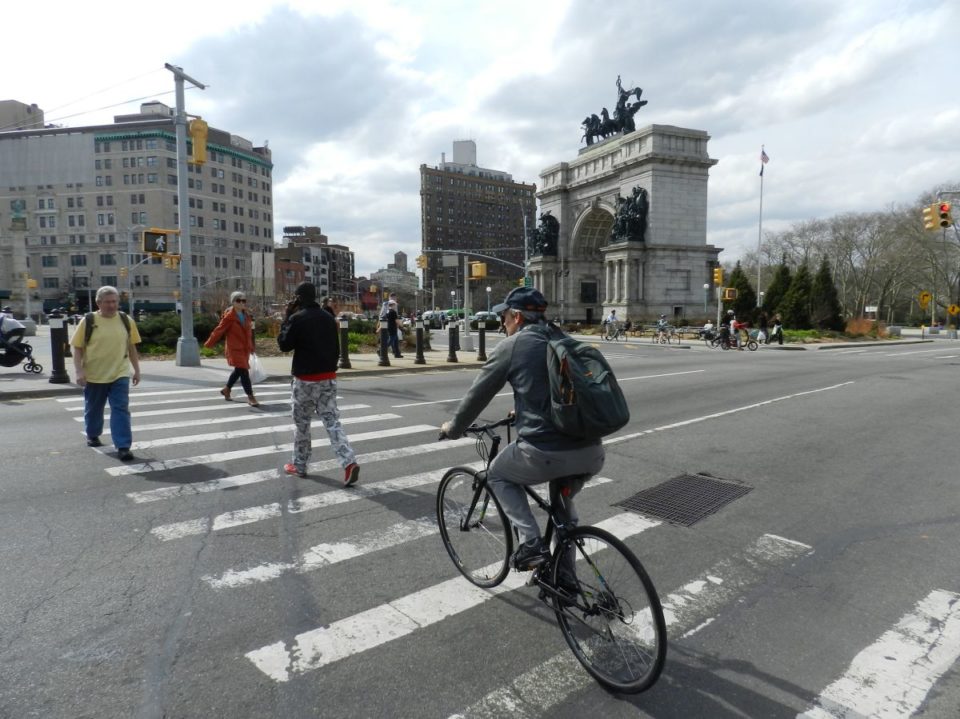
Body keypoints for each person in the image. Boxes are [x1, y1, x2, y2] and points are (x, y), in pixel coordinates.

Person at [439, 287, 605, 584]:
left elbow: (477, 395)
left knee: (497, 475)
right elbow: (555, 389)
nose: (502, 323)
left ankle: (531, 543)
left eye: (504, 317)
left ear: (516, 316)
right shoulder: (562, 338)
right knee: (563, 517)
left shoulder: (513, 345)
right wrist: (524, 409)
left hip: (547, 453)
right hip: (591, 452)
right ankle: (564, 582)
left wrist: (453, 428)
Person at [277, 281, 360, 485]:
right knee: (332, 421)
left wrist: (287, 316)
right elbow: (337, 350)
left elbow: (284, 345)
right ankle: (348, 462)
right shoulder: (328, 318)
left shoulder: (297, 318)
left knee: (302, 424)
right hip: (328, 378)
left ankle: (300, 464)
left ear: (298, 298)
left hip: (305, 380)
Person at [71, 286, 141, 461]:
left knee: (121, 409)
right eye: (108, 302)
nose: (112, 305)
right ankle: (93, 433)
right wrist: (79, 371)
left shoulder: (126, 320)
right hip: (94, 374)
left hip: (120, 372)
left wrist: (136, 370)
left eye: (115, 301)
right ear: (98, 302)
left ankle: (123, 446)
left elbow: (131, 346)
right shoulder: (88, 321)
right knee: (94, 409)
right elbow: (77, 347)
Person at [204, 291, 259, 407]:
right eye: (239, 300)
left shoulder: (247, 315)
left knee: (239, 370)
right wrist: (209, 344)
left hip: (245, 348)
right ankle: (250, 396)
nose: (242, 303)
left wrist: (252, 346)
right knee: (244, 371)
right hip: (234, 349)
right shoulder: (229, 317)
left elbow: (250, 333)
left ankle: (227, 389)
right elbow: (218, 330)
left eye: (244, 300)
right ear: (233, 302)